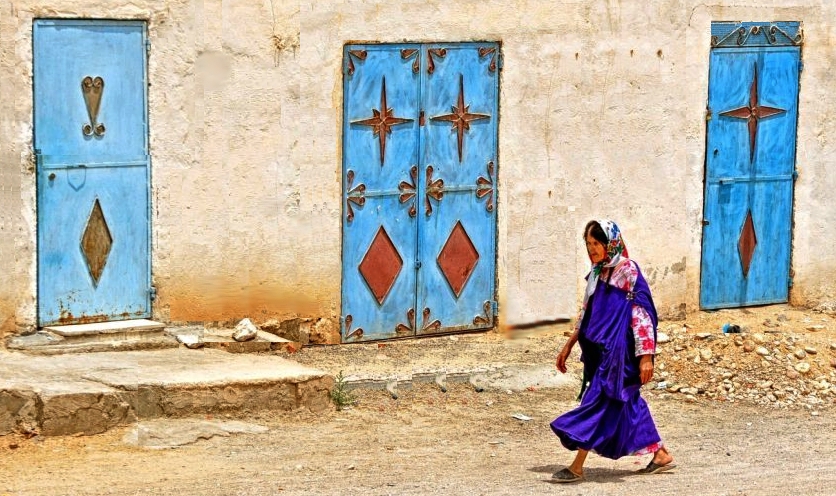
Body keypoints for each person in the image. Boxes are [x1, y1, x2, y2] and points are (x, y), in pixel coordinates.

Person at [550, 220, 676, 483]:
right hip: (601, 350)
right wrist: (569, 345)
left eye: (596, 243)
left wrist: (646, 358)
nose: (592, 249)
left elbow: (642, 316)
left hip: (622, 353)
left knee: (599, 399)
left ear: (610, 243)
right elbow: (587, 313)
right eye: (588, 244)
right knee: (628, 403)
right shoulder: (598, 272)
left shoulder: (627, 271)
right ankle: (660, 453)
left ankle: (577, 466)